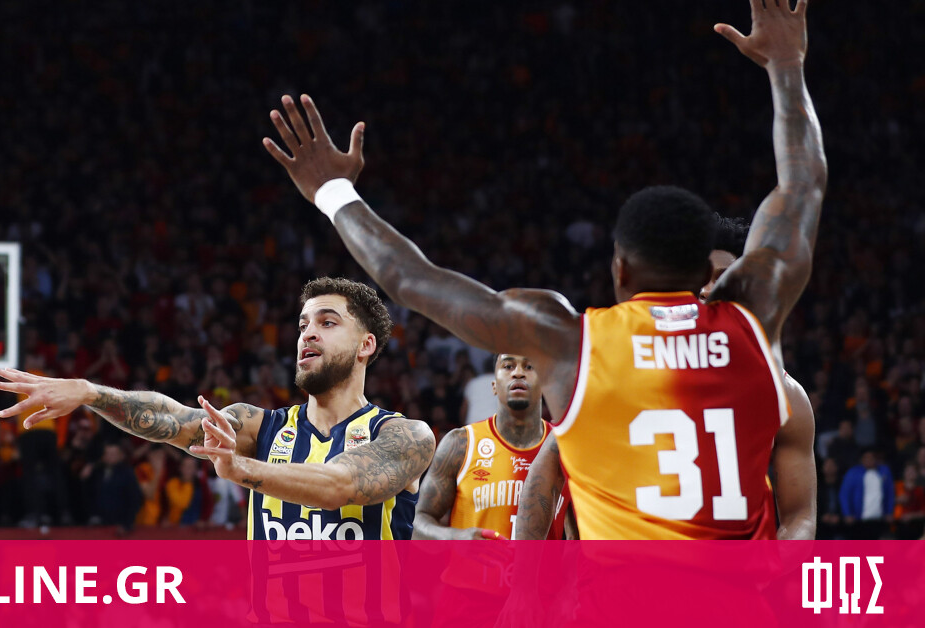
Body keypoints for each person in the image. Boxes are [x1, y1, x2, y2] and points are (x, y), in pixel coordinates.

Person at [263, 0, 823, 540]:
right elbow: (802, 186)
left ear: (620, 270)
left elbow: (410, 277)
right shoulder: (753, 318)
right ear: (706, 270)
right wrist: (787, 65)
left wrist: (332, 191)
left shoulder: (570, 343)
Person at [0, 277, 435, 540]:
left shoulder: (405, 436)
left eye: (327, 322)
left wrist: (239, 469)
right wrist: (90, 392)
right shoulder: (261, 427)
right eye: (303, 325)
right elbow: (171, 419)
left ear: (365, 345)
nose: (308, 334)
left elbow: (341, 485)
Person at [515, 212, 819, 539]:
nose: (707, 290)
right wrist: (526, 572)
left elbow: (800, 516)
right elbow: (547, 472)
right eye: (698, 279)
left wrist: (775, 567)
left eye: (723, 279)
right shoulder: (619, 372)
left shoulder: (783, 393)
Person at [415, 353, 571, 540]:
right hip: (472, 561)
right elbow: (418, 521)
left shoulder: (565, 446)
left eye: (529, 366)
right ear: (494, 385)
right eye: (508, 366)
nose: (518, 373)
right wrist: (455, 538)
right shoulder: (461, 443)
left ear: (544, 384)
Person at [840, 449, 894, 539]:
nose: (869, 460)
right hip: (858, 519)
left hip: (879, 518)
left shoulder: (884, 471)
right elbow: (845, 495)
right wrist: (847, 513)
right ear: (861, 459)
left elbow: (890, 493)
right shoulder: (853, 473)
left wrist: (889, 511)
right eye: (866, 458)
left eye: (871, 457)